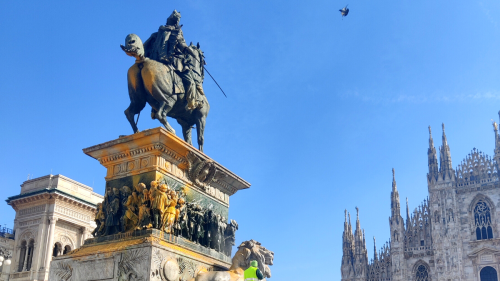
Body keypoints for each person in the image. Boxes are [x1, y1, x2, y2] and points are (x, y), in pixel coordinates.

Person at [143, 10, 205, 111]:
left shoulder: (158, 32)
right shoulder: (176, 32)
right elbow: (182, 44)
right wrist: (190, 52)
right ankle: (191, 102)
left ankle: (154, 109)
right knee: (190, 80)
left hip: (156, 59)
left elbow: (146, 45)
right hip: (173, 60)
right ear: (176, 22)